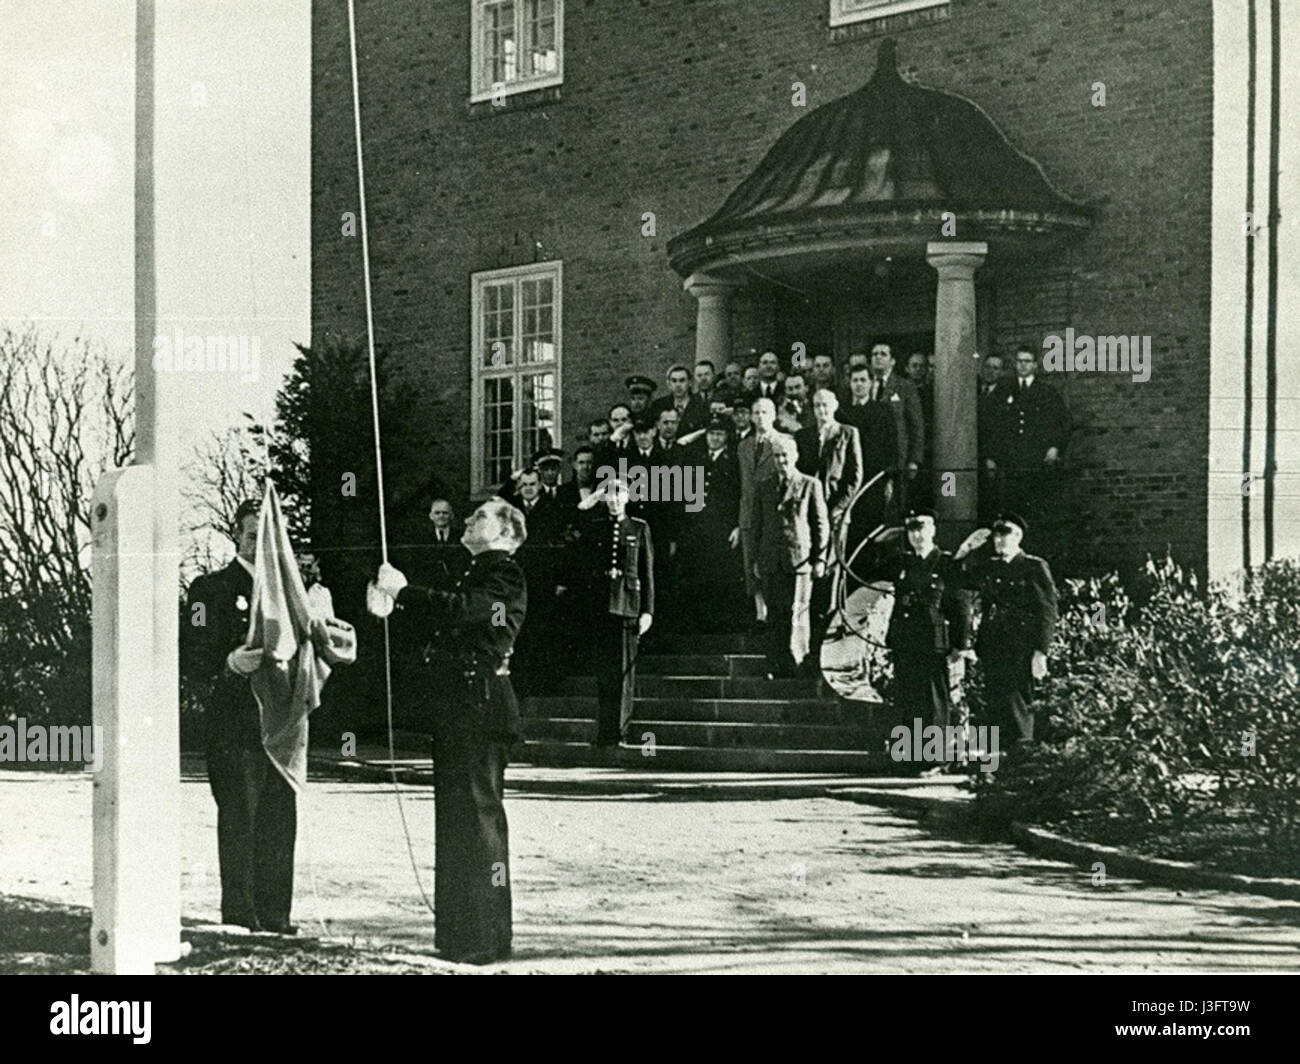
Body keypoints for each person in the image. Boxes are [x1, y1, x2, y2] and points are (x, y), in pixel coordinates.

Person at [370, 499, 528, 965]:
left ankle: (482, 937)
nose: (468, 521)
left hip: (480, 704)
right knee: (459, 819)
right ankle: (462, 933)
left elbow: (465, 612)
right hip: (463, 705)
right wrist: (391, 605)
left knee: (477, 820)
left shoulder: (504, 574)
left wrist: (404, 592)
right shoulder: (479, 569)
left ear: (506, 533)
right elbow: (446, 619)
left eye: (480, 517)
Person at [182, 501, 298, 933]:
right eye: (253, 536)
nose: (260, 545)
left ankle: (276, 916)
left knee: (279, 820)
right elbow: (192, 653)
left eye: (269, 538)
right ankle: (240, 914)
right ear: (236, 535)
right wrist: (228, 663)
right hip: (234, 723)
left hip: (281, 725)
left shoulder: (290, 594)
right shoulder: (207, 590)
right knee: (240, 818)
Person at [957, 511, 1058, 747]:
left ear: (1018, 536)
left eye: (1006, 534)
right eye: (996, 535)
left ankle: (1019, 762)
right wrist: (965, 551)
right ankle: (997, 768)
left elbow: (1047, 612)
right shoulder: (990, 567)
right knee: (995, 704)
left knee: (1018, 705)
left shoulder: (1033, 567)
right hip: (993, 645)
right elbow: (957, 579)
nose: (1000, 539)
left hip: (1020, 647)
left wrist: (1040, 652)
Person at [882, 509, 971, 765]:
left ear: (933, 531)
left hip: (934, 642)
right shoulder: (903, 563)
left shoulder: (946, 564)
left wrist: (959, 645)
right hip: (905, 640)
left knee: (933, 700)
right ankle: (909, 757)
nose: (917, 535)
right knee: (908, 697)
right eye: (912, 530)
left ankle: (934, 759)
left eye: (922, 528)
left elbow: (961, 606)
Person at [572, 480, 654, 745]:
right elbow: (576, 523)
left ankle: (621, 732)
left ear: (627, 498)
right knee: (604, 671)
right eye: (610, 497)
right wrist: (593, 498)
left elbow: (647, 573)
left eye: (619, 496)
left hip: (628, 606)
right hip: (602, 606)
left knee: (623, 673)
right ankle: (604, 732)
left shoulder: (639, 528)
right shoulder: (596, 527)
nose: (614, 501)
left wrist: (647, 611)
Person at [752, 434, 827, 678]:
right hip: (771, 560)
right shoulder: (764, 485)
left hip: (799, 560)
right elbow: (756, 525)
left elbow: (820, 524)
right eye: (777, 456)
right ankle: (775, 664)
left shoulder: (810, 484)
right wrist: (755, 559)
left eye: (785, 455)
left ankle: (798, 661)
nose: (781, 460)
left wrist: (820, 559)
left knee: (798, 612)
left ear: (795, 456)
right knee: (774, 613)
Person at [798, 389, 863, 666]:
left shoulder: (848, 433)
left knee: (832, 574)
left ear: (835, 406)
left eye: (825, 405)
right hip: (809, 516)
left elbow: (854, 476)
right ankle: (807, 644)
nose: (821, 410)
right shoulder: (804, 436)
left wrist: (836, 509)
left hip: (836, 515)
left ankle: (828, 639)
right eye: (816, 405)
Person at [986, 345, 1070, 532]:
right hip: (1010, 462)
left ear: (1035, 365)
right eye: (1019, 361)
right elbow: (990, 425)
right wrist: (991, 456)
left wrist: (1054, 447)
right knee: (1010, 509)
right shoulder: (1002, 390)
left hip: (1037, 461)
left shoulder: (1046, 392)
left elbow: (1062, 423)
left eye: (1027, 361)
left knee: (1037, 509)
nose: (1023, 366)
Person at [678, 416, 743, 630]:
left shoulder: (734, 460)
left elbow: (742, 495)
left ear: (727, 437)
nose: (714, 438)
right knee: (698, 576)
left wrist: (738, 526)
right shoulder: (695, 458)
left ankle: (721, 626)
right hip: (698, 529)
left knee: (722, 577)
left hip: (724, 529)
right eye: (711, 433)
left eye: (719, 434)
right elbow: (686, 497)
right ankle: (700, 625)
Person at [737, 396, 781, 626]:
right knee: (750, 563)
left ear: (773, 415)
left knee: (769, 560)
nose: (760, 417)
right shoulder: (744, 446)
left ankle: (774, 610)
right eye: (756, 412)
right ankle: (759, 612)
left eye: (765, 412)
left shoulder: (783, 442)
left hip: (772, 513)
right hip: (748, 513)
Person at [868, 342, 925, 513]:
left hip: (897, 456)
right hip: (871, 455)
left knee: (895, 504)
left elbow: (916, 424)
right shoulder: (866, 384)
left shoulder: (905, 386)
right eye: (874, 354)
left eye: (883, 354)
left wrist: (914, 459)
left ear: (892, 361)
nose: (878, 357)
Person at [977, 353, 1007, 522]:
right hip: (971, 454)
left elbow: (999, 430)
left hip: (992, 459)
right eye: (988, 367)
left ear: (1001, 372)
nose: (991, 372)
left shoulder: (1004, 396)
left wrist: (991, 456)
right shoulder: (972, 392)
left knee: (991, 499)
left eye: (996, 368)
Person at [650, 364, 708, 436]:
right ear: (669, 384)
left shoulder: (701, 406)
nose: (678, 385)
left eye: (682, 380)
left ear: (690, 383)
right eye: (674, 381)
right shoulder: (659, 405)